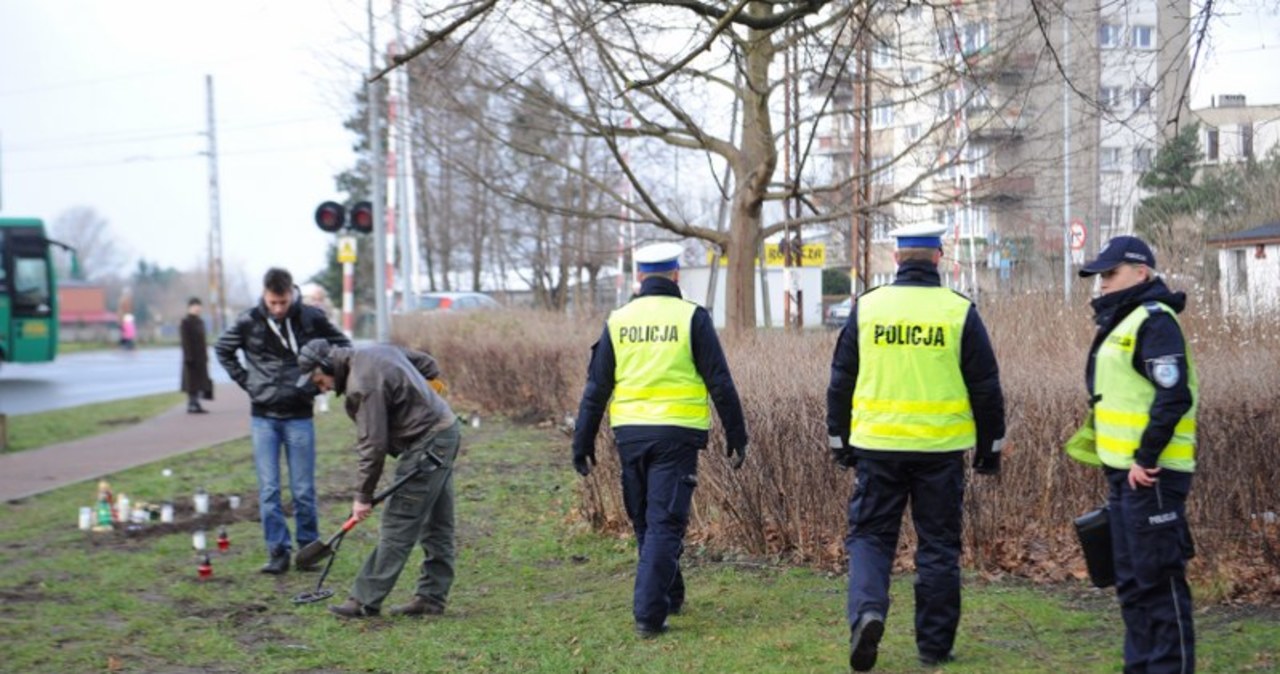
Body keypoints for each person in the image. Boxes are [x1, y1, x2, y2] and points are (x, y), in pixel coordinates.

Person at [826, 223, 1005, 671]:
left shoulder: (868, 308)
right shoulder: (958, 311)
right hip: (940, 452)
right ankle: (934, 646)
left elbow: (840, 381)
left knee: (870, 536)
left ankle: (868, 612)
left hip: (878, 447)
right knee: (939, 545)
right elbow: (986, 387)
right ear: (940, 258)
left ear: (896, 259)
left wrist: (839, 439)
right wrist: (989, 449)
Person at [572, 241, 749, 639]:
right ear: (675, 275)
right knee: (664, 522)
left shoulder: (619, 320)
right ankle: (649, 615)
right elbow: (719, 381)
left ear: (639, 277)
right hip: (677, 436)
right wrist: (737, 435)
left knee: (647, 520)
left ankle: (671, 594)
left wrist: (581, 442)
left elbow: (596, 387)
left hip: (630, 436)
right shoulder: (692, 318)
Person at [1070, 235, 1198, 673]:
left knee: (1158, 586)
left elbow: (1172, 395)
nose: (1102, 283)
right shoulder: (1123, 320)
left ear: (1141, 272)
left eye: (1110, 274)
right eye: (1099, 275)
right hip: (1126, 476)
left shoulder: (1154, 320)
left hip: (1152, 476)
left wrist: (1145, 457)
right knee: (1131, 584)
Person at [294, 339, 461, 619]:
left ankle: (363, 600)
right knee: (437, 521)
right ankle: (431, 597)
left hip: (428, 444)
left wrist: (362, 497)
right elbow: (427, 365)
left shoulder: (362, 385)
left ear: (326, 366)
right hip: (445, 430)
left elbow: (373, 446)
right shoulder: (374, 350)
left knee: (399, 520)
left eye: (318, 380)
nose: (320, 387)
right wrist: (424, 392)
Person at [215, 268, 351, 575]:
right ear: (265, 294)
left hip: (299, 414)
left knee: (303, 488)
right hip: (263, 416)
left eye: (283, 302)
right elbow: (223, 349)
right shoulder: (250, 320)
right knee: (269, 490)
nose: (278, 309)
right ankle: (277, 551)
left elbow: (342, 344)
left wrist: (320, 373)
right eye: (273, 302)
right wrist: (248, 383)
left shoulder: (309, 317)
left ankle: (308, 549)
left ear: (292, 293)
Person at [179, 297, 213, 414]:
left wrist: (206, 356)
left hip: (201, 357)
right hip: (191, 357)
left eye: (199, 306)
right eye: (195, 306)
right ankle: (192, 404)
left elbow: (203, 341)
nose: (198, 308)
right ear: (190, 307)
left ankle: (196, 404)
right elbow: (185, 341)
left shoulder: (200, 321)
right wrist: (188, 357)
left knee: (200, 382)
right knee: (191, 382)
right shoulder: (185, 322)